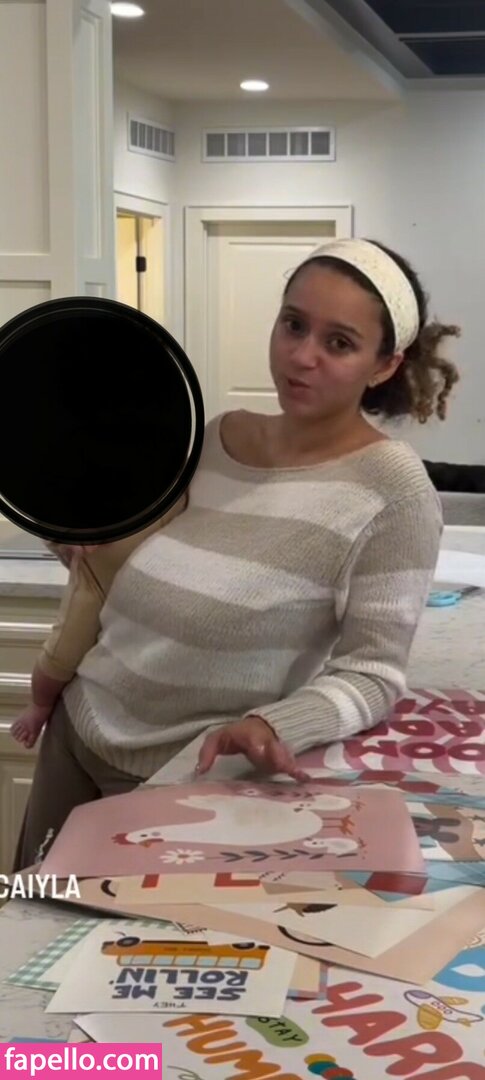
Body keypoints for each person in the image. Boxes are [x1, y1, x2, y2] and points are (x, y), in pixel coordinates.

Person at [13, 237, 460, 870]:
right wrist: (73, 536)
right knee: (26, 911)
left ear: (385, 365)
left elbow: (373, 674)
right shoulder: (216, 438)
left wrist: (278, 724)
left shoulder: (393, 493)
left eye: (338, 343)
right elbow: (126, 568)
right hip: (79, 727)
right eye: (293, 324)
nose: (301, 356)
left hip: (183, 778)